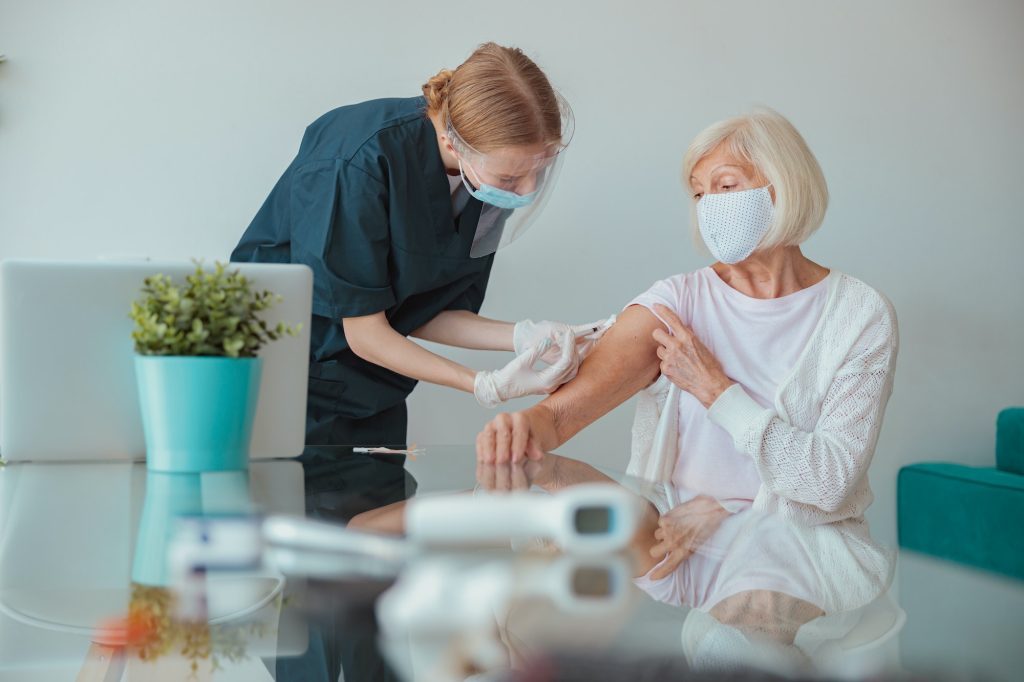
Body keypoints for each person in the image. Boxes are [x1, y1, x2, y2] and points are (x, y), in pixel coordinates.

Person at [232, 42, 593, 682]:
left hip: (372, 396)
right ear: (456, 140)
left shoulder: (485, 180)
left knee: (383, 593)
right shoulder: (359, 159)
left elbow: (422, 306)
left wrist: (525, 336)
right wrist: (477, 384)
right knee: (318, 600)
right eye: (514, 179)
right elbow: (364, 325)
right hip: (292, 390)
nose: (525, 190)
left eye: (538, 171)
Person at [476, 108, 899, 624]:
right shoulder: (676, 303)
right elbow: (561, 417)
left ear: (783, 186)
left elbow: (827, 484)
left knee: (749, 624)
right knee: (529, 597)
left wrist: (717, 393)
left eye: (725, 186)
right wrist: (521, 428)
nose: (708, 207)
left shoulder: (859, 314)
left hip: (798, 549)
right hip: (672, 539)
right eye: (699, 194)